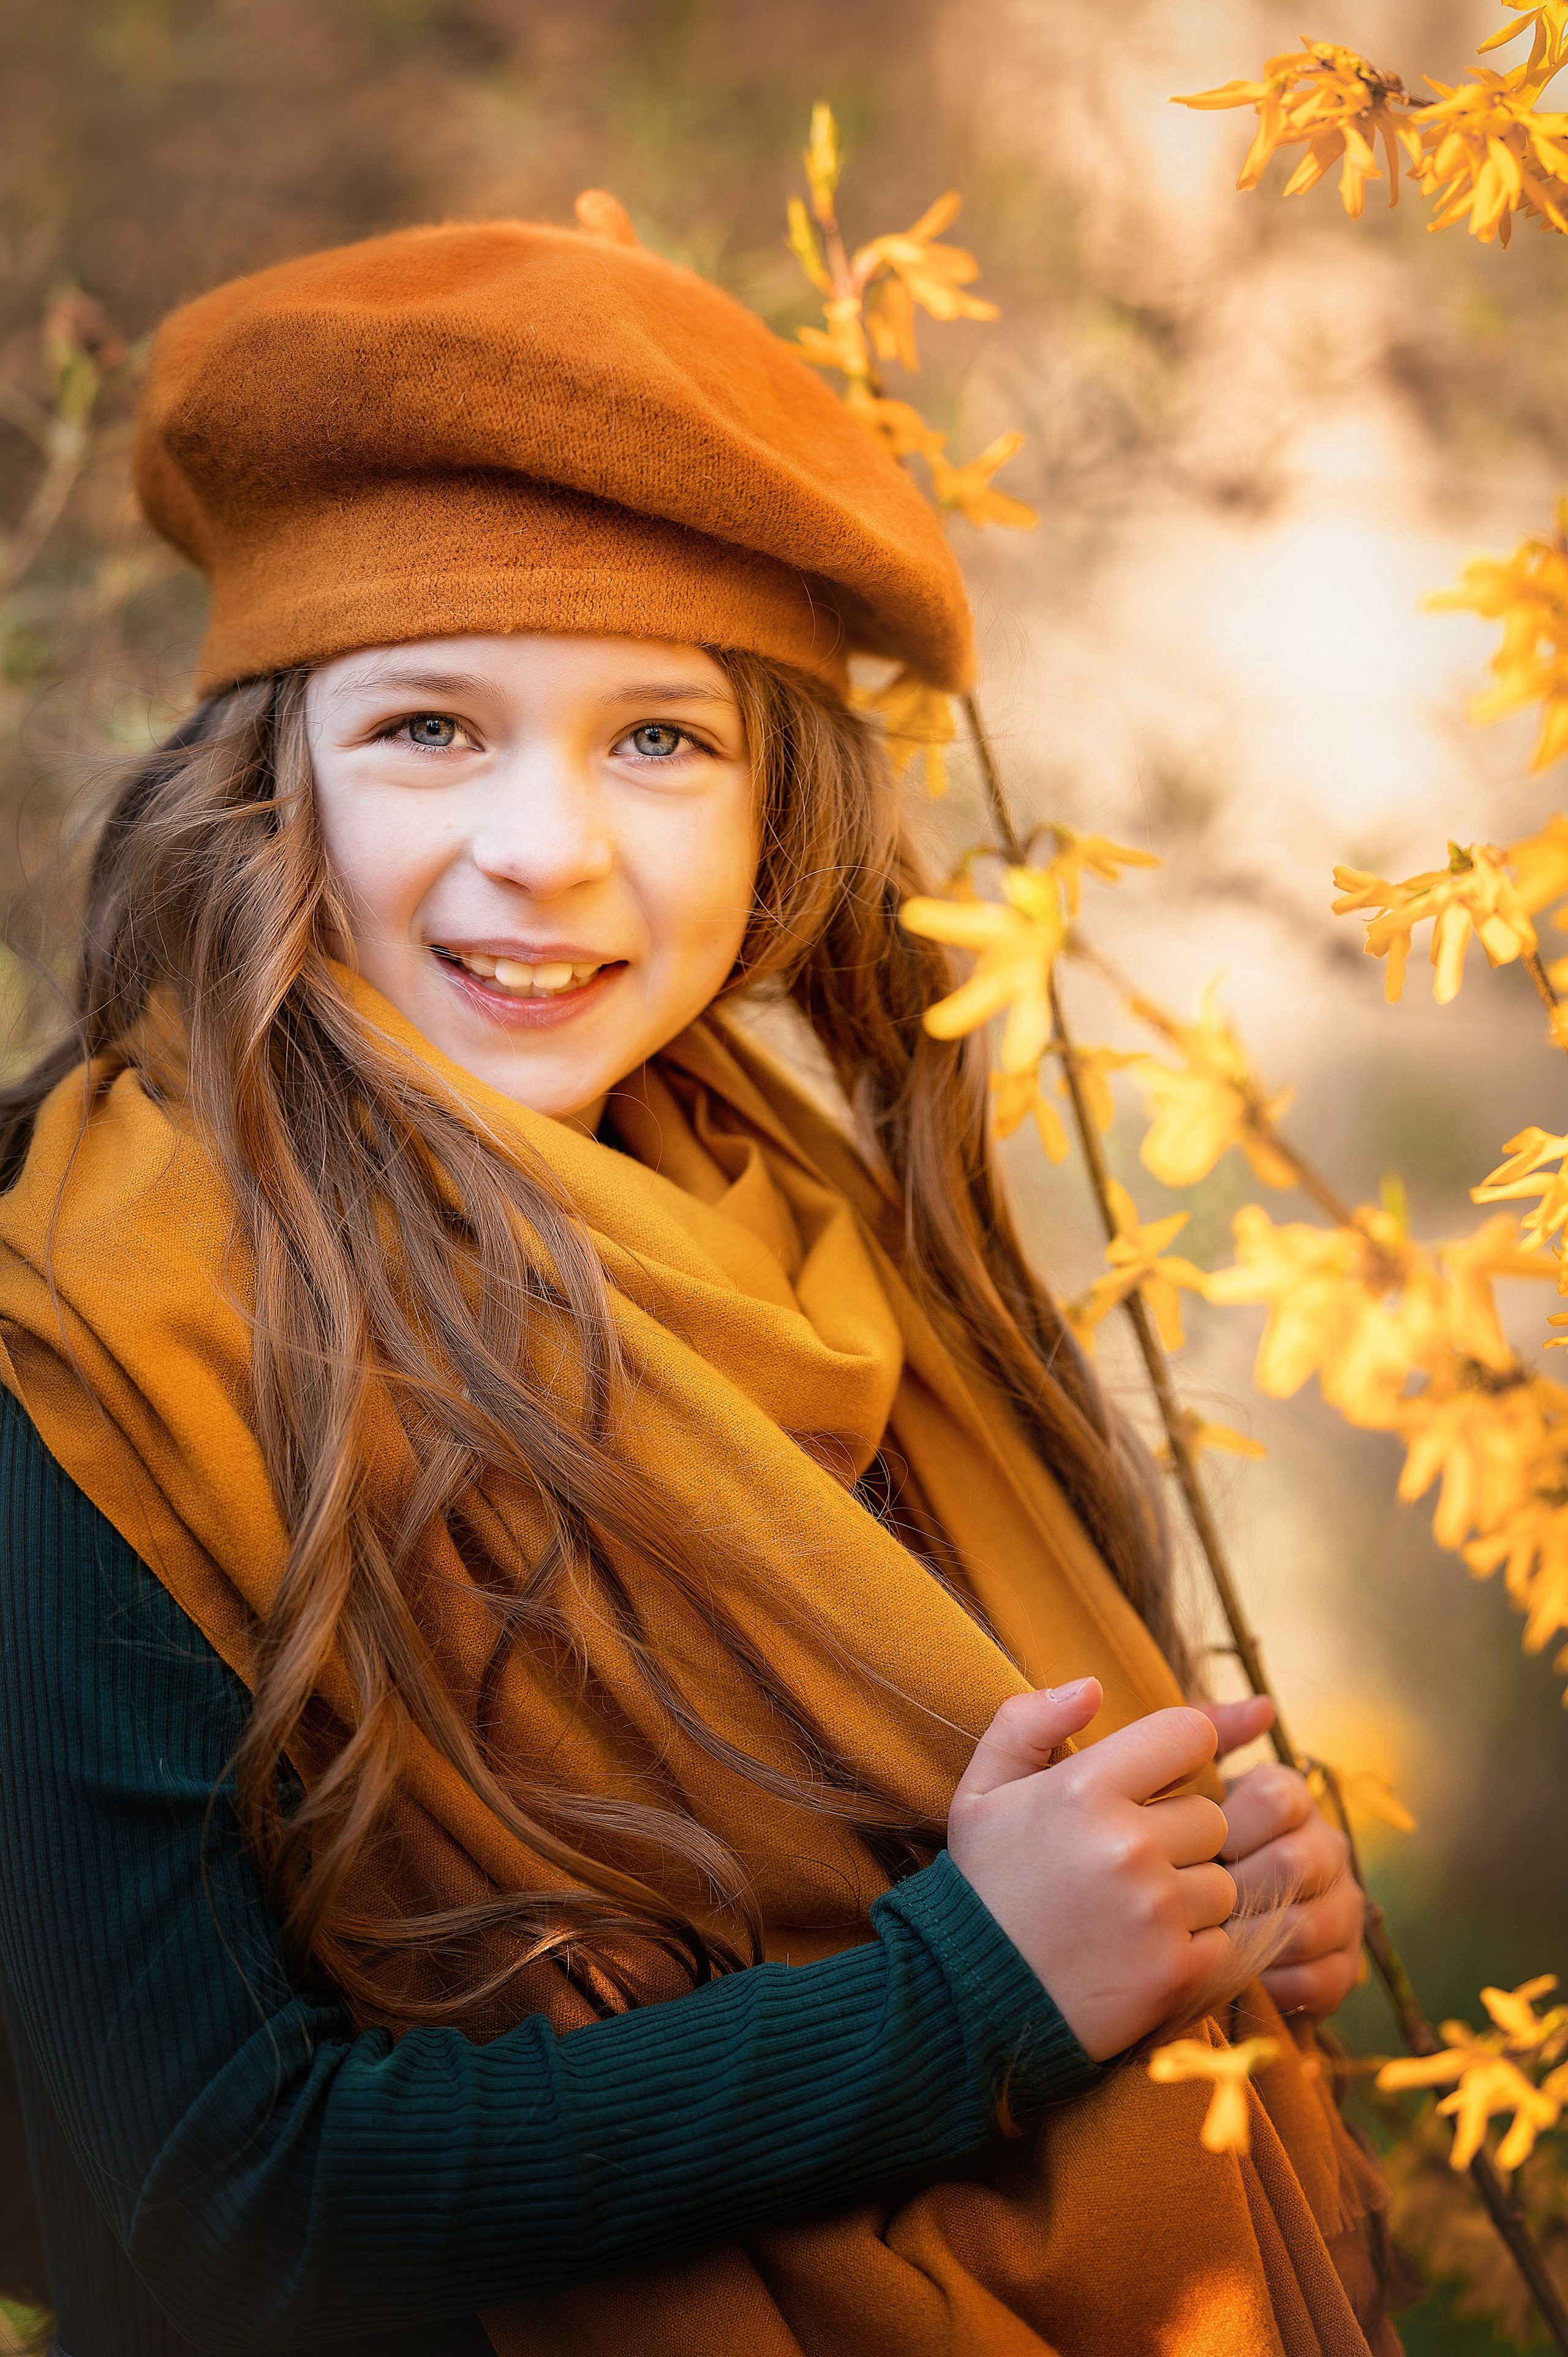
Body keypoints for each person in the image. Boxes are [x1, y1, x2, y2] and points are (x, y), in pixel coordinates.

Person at [0, 214, 1389, 2357]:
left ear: (781, 817)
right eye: (431, 729)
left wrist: (1205, 1894)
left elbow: (1004, 1835)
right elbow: (219, 2207)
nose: (549, 847)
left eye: (660, 740)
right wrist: (977, 2000)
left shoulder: (833, 1248)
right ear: (270, 786)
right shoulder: (88, 1338)